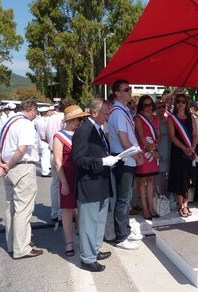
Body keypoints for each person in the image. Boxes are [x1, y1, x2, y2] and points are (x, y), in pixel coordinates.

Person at [72, 99, 118, 272]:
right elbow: (79, 159)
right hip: (89, 184)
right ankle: (87, 258)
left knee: (99, 221)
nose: (108, 116)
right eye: (106, 113)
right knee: (89, 223)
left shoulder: (97, 129)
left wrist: (111, 160)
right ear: (94, 113)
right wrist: (102, 161)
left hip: (100, 182)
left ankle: (94, 250)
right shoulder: (84, 131)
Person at [0, 99, 44, 259]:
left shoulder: (7, 122)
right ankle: (22, 247)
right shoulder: (25, 124)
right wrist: (8, 165)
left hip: (8, 166)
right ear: (31, 109)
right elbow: (22, 148)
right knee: (23, 209)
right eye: (36, 111)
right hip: (21, 166)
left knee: (11, 208)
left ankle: (12, 244)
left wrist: (1, 164)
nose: (36, 115)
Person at [107, 80, 144, 250]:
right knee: (123, 199)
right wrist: (137, 156)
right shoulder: (118, 113)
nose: (130, 91)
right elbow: (123, 139)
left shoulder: (123, 111)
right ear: (117, 93)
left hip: (127, 159)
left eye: (130, 88)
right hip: (124, 159)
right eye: (126, 89)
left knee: (126, 198)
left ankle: (125, 231)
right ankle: (121, 236)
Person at [52, 105, 89, 257]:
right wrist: (64, 182)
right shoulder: (59, 137)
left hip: (81, 176)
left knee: (82, 208)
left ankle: (82, 234)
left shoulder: (81, 133)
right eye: (79, 119)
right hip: (66, 176)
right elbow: (57, 162)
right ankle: (69, 241)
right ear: (71, 120)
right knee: (67, 210)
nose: (81, 122)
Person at [168, 93, 198, 218]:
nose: (181, 104)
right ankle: (181, 206)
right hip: (178, 152)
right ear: (175, 103)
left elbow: (195, 134)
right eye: (178, 101)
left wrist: (192, 147)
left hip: (190, 151)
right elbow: (172, 136)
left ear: (186, 104)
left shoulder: (191, 118)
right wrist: (184, 148)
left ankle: (186, 204)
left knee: (188, 178)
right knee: (179, 178)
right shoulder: (172, 118)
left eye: (183, 102)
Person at [45, 98, 72, 225]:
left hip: (52, 152)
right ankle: (63, 213)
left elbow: (44, 136)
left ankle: (55, 212)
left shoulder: (50, 118)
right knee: (64, 184)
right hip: (64, 154)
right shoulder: (65, 118)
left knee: (55, 185)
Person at [134, 95, 160, 220]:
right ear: (141, 106)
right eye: (146, 105)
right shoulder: (138, 118)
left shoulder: (156, 118)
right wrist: (151, 150)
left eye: (150, 104)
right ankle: (144, 208)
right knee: (142, 181)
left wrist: (155, 147)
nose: (149, 107)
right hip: (144, 152)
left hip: (154, 150)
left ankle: (151, 207)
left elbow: (158, 135)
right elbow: (141, 137)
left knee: (151, 180)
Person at [34, 107, 52, 177]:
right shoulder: (41, 121)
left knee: (46, 155)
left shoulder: (40, 120)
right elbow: (43, 132)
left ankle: (46, 169)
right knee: (45, 156)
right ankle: (45, 172)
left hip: (42, 140)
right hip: (43, 140)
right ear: (44, 112)